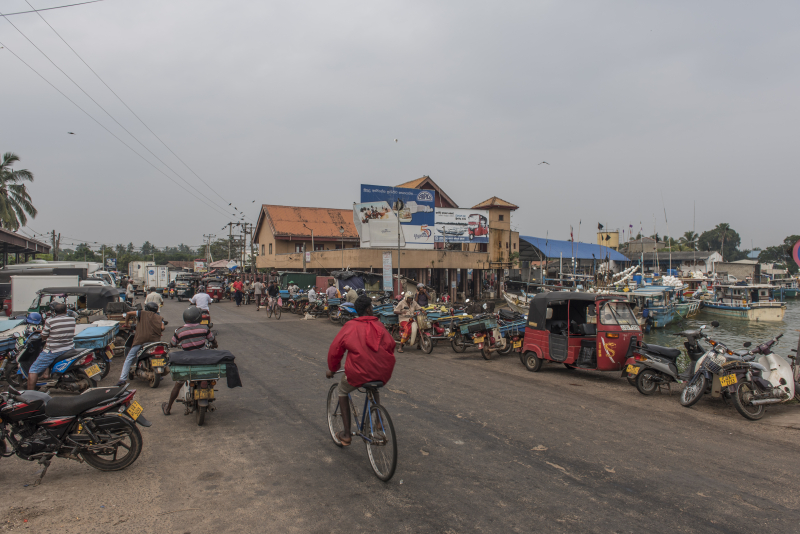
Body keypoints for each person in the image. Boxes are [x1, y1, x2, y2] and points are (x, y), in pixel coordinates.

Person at [326, 295, 396, 446]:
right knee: (373, 385)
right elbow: (391, 344)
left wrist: (332, 369)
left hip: (358, 373)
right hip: (382, 372)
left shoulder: (350, 326)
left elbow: (335, 350)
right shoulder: (380, 325)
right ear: (369, 309)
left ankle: (346, 434)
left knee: (342, 391)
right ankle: (378, 420)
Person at [162, 306, 216, 416]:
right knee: (210, 378)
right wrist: (214, 345)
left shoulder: (179, 331)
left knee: (178, 385)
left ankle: (168, 408)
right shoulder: (204, 328)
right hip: (202, 361)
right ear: (199, 318)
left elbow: (172, 344)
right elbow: (213, 340)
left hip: (187, 363)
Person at [26, 302, 76, 390]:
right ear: (65, 310)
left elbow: (44, 336)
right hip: (69, 347)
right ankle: (46, 373)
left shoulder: (50, 321)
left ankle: (29, 394)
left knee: (33, 370)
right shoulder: (72, 319)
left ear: (54, 312)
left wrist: (42, 333)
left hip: (54, 350)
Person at [118, 302, 164, 386]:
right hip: (155, 341)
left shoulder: (141, 313)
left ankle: (122, 379)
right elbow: (162, 328)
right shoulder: (159, 317)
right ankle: (159, 373)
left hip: (141, 341)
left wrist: (127, 323)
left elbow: (128, 313)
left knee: (129, 357)